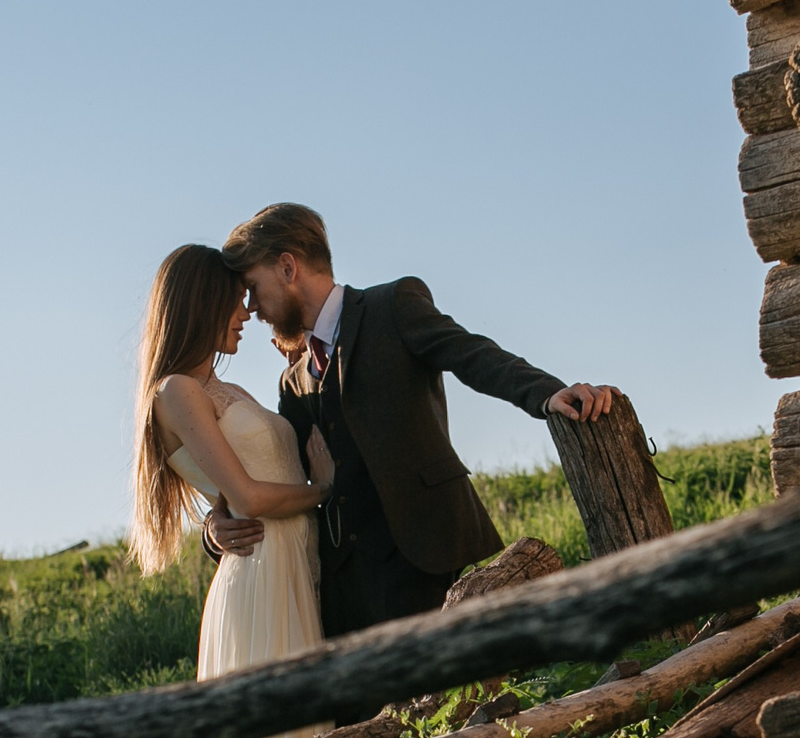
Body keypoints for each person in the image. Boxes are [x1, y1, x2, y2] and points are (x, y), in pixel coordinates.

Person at [207, 203, 624, 637]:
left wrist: (546, 393)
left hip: (428, 557)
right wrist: (214, 524)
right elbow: (275, 467)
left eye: (253, 287)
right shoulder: (294, 381)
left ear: (288, 268)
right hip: (346, 589)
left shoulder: (392, 305)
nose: (252, 307)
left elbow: (471, 354)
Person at [128, 244, 339, 738]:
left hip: (290, 562)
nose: (246, 313)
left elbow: (230, 496)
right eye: (234, 302)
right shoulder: (176, 392)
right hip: (260, 577)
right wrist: (324, 489)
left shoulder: (227, 390)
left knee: (304, 728)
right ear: (201, 304)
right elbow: (246, 498)